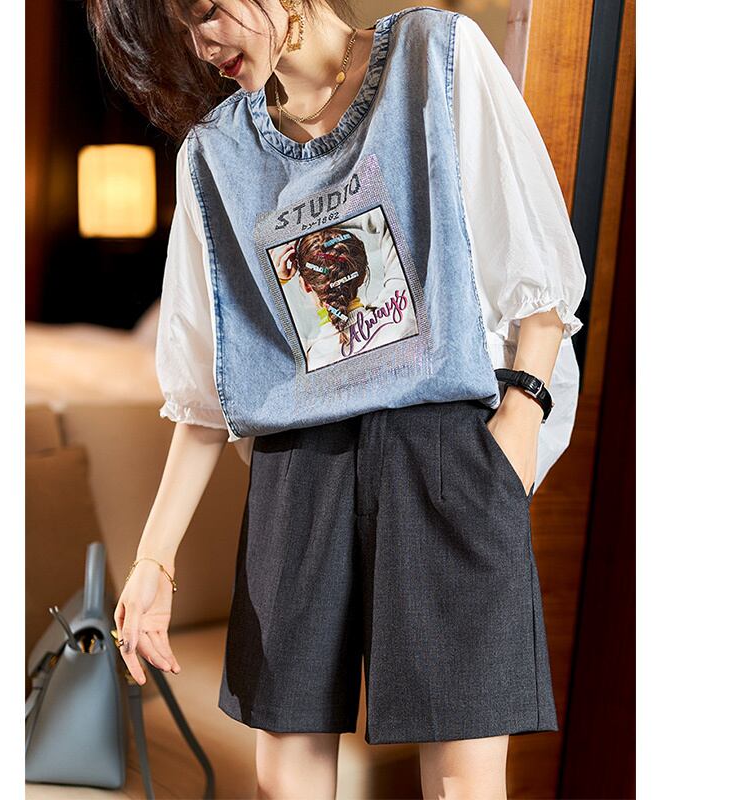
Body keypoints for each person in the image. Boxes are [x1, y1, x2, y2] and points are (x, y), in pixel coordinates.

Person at [86, 1, 587, 797]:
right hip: (297, 472)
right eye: (180, 32)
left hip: (444, 452)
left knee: (463, 785)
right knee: (287, 781)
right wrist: (154, 559)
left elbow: (537, 272)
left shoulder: (434, 57)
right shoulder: (215, 155)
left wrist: (518, 426)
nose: (201, 44)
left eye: (206, 12)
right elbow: (205, 390)